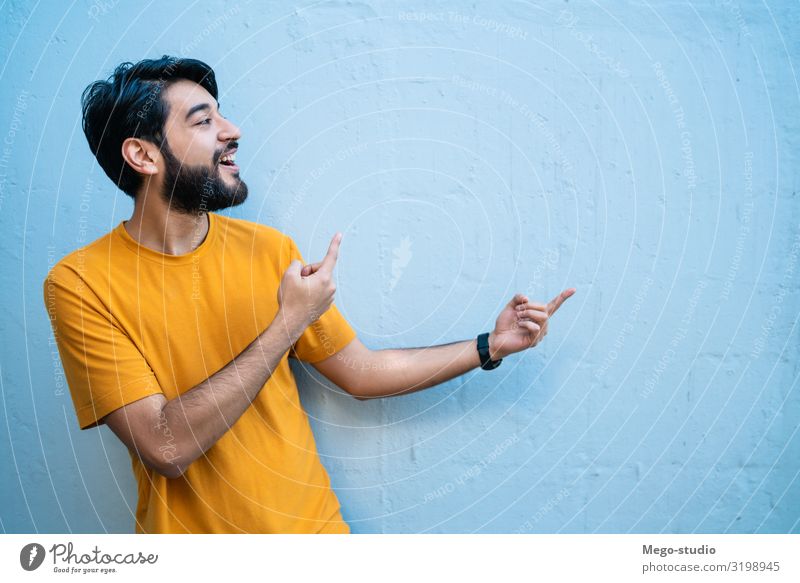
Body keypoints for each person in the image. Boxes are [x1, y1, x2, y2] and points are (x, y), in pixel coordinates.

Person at [43, 55, 575, 534]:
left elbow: (361, 374)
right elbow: (165, 446)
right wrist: (286, 325)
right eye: (204, 121)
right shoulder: (81, 283)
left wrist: (492, 345)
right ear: (142, 155)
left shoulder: (269, 251)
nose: (233, 131)